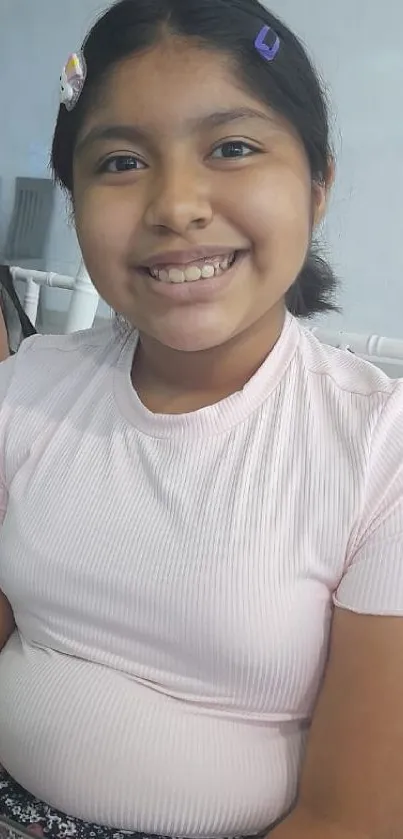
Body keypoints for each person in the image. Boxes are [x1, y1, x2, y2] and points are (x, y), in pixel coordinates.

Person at [0, 0, 403, 837]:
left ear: (316, 183)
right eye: (118, 161)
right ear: (74, 203)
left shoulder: (378, 448)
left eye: (231, 147)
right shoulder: (28, 387)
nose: (175, 205)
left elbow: (352, 818)